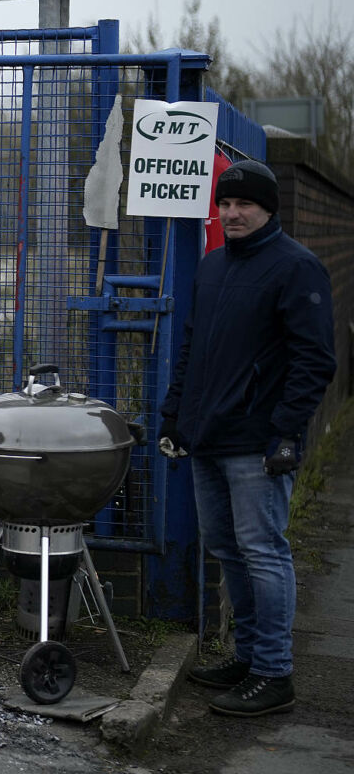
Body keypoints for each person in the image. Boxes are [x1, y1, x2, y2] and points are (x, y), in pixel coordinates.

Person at [160, 159, 335, 717]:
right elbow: (191, 346)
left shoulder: (296, 268)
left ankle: (274, 673)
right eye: (226, 204)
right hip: (208, 437)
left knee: (264, 552)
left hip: (257, 443)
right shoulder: (212, 267)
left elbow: (315, 361)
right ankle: (250, 654)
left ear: (268, 209)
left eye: (245, 205)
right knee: (228, 549)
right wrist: (174, 414)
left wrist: (286, 432)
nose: (232, 214)